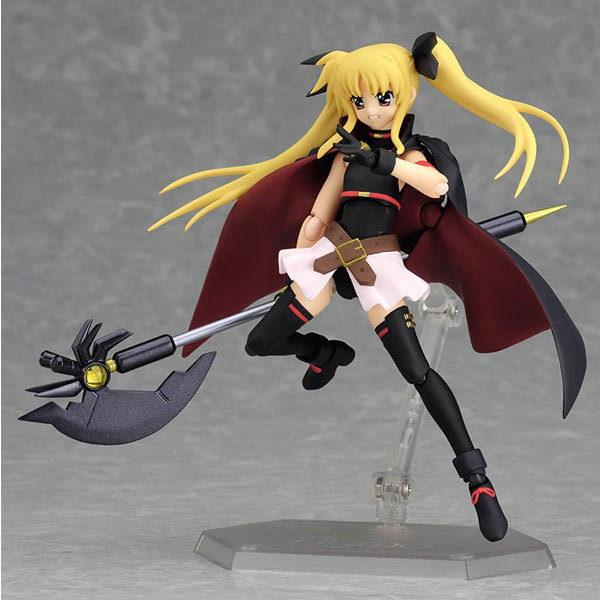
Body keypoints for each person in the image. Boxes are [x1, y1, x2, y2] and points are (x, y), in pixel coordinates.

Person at [150, 33, 584, 541]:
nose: (372, 109)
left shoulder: (414, 156)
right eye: (360, 101)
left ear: (405, 96)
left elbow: (437, 187)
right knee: (259, 341)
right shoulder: (343, 155)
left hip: (378, 268)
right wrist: (301, 248)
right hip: (328, 255)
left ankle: (478, 481)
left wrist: (380, 161)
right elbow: (320, 211)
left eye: (383, 97)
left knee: (417, 371)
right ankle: (325, 353)